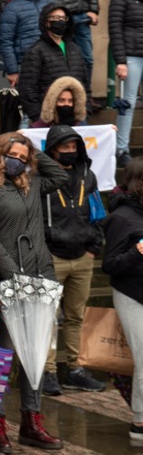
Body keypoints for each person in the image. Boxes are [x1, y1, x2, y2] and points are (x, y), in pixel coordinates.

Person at [0, 132, 68, 452]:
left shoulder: (32, 181)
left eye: (24, 160)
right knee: (2, 355)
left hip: (40, 276)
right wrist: (14, 276)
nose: (19, 162)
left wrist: (30, 148)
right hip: (5, 281)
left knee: (35, 353)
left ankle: (31, 420)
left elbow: (61, 175)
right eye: (14, 156)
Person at [38, 125, 106, 397]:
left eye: (73, 147)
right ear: (52, 149)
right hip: (53, 257)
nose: (69, 152)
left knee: (76, 316)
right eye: (63, 147)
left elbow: (98, 211)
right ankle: (49, 371)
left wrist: (94, 246)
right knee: (49, 319)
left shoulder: (87, 176)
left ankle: (75, 369)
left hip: (83, 256)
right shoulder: (41, 179)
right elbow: (35, 218)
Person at [102, 157, 143, 446]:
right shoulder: (122, 217)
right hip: (132, 295)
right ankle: (139, 420)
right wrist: (138, 252)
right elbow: (110, 264)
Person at [18, 3, 89, 126]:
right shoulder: (36, 51)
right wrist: (38, 117)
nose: (60, 21)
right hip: (47, 119)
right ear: (46, 22)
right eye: (55, 18)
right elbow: (27, 89)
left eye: (63, 18)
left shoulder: (75, 49)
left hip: (75, 118)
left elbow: (85, 83)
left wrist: (85, 108)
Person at [110, 0, 143, 168]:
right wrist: (120, 61)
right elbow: (115, 30)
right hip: (131, 56)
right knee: (128, 104)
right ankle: (122, 148)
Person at [0, 0, 55, 90]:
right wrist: (12, 70)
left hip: (52, 64)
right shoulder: (12, 8)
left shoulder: (52, 5)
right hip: (25, 65)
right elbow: (6, 41)